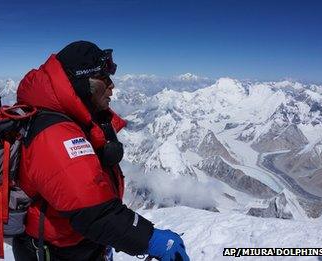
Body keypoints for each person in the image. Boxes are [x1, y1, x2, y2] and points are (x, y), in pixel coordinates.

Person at [13, 40, 190, 261]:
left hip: (78, 246)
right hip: (59, 254)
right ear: (82, 82)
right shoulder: (56, 135)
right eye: (104, 80)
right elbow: (94, 214)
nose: (112, 87)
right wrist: (151, 240)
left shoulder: (72, 122)